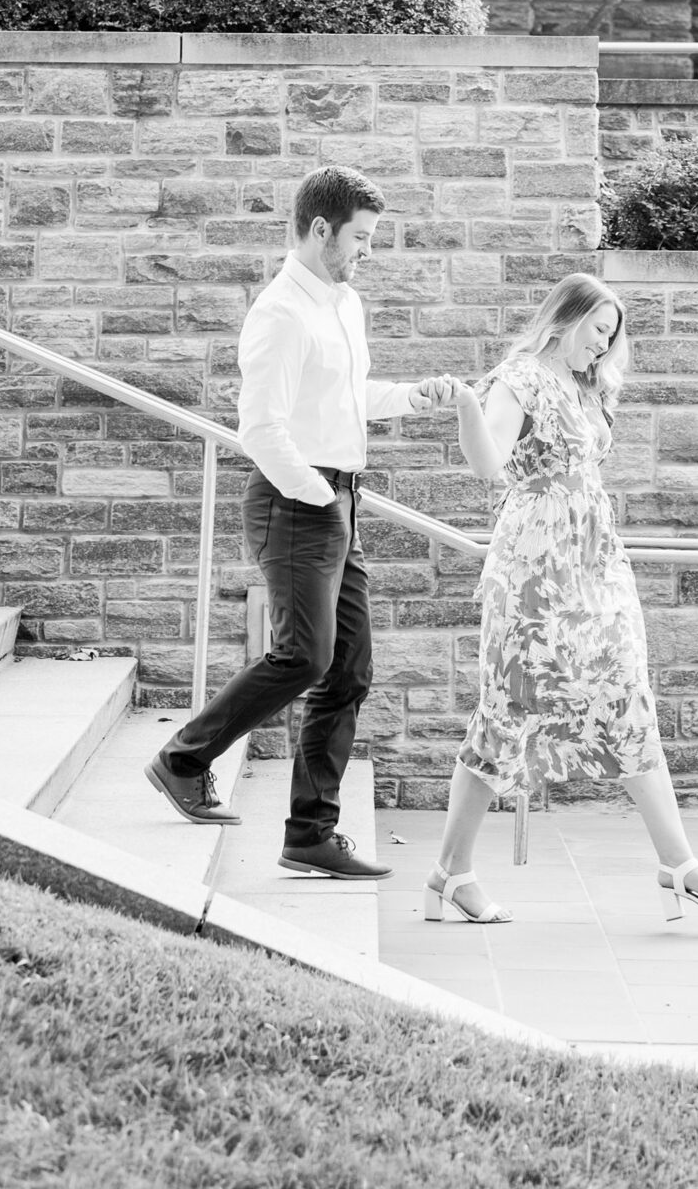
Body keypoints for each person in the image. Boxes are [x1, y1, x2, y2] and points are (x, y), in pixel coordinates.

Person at [145, 163, 456, 879]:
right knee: (304, 657)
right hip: (296, 503)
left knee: (348, 669)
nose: (367, 252)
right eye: (361, 238)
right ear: (321, 231)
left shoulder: (344, 305)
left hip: (340, 498)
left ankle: (310, 835)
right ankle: (183, 759)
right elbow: (261, 427)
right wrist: (318, 497)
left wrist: (415, 397)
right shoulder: (279, 312)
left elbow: (344, 400)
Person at [423, 271, 698, 926]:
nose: (604, 347)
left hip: (593, 560)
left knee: (627, 693)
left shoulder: (582, 383)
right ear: (564, 318)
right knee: (507, 709)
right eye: (598, 331)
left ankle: (677, 863)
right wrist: (465, 407)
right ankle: (450, 874)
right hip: (534, 563)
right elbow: (487, 466)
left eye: (612, 337)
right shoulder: (521, 375)